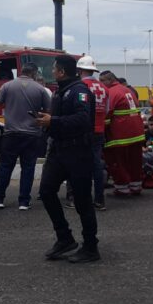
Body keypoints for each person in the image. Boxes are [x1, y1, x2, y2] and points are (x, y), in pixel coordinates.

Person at [35, 54, 99, 263]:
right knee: (46, 191)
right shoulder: (60, 92)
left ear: (62, 71)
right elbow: (59, 120)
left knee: (82, 201)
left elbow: (82, 119)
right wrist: (47, 123)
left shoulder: (79, 91)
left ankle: (90, 247)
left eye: (54, 69)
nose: (52, 72)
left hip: (78, 152)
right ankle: (65, 238)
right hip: (59, 151)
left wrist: (52, 121)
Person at [0, 63, 51, 210]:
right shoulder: (41, 89)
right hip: (32, 135)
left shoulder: (7, 86)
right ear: (34, 74)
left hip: (11, 134)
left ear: (21, 72)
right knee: (28, 168)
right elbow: (49, 111)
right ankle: (24, 201)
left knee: (5, 167)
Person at [66, 55, 109, 211]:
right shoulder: (104, 88)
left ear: (79, 70)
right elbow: (107, 110)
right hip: (99, 131)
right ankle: (99, 199)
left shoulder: (77, 86)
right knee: (96, 165)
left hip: (80, 131)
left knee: (74, 163)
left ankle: (74, 198)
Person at [99, 70, 145, 196]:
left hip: (119, 135)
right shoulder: (128, 90)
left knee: (116, 161)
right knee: (134, 161)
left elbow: (107, 114)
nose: (101, 84)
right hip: (136, 133)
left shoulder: (111, 92)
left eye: (102, 81)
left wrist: (100, 128)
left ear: (110, 80)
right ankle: (136, 186)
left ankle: (122, 187)